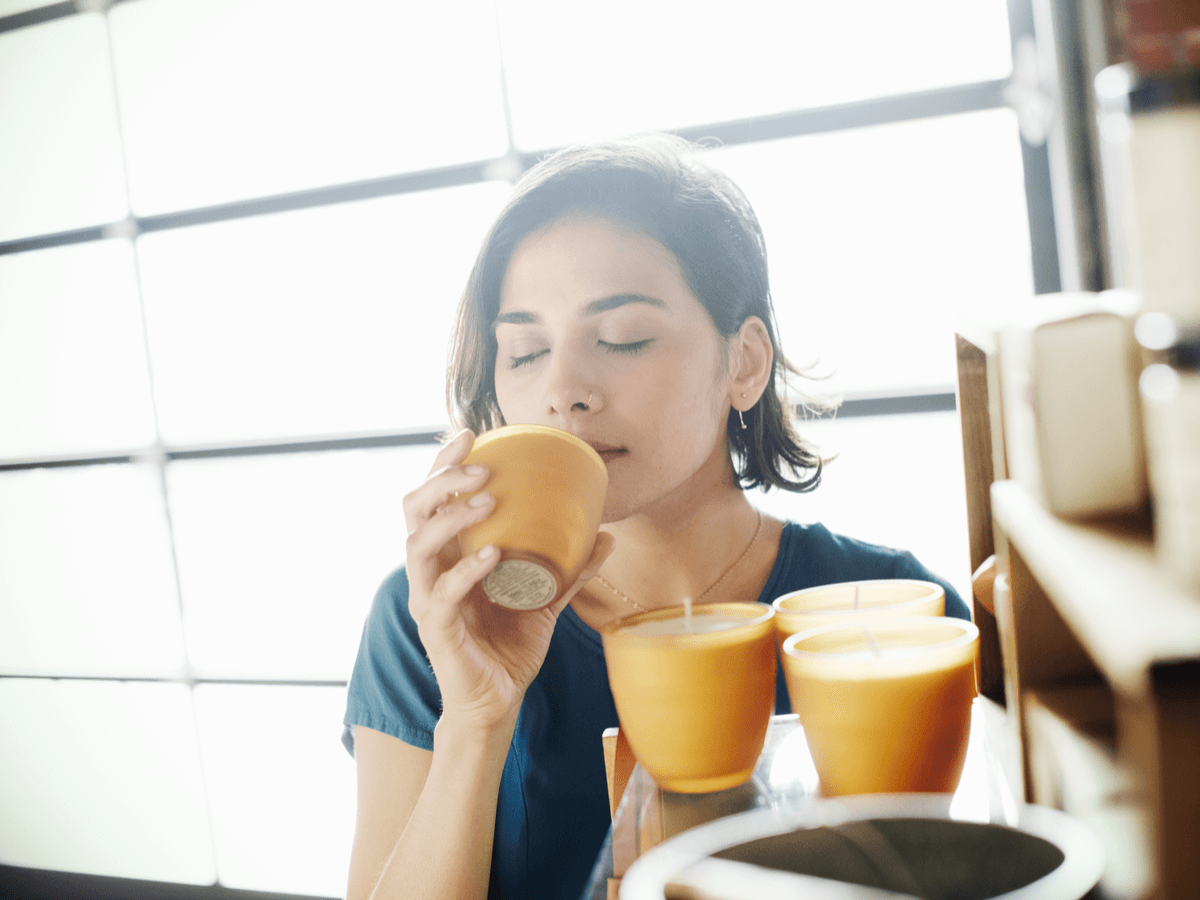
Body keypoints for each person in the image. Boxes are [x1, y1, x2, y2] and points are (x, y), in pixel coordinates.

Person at [341, 133, 971, 900]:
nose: (563, 389)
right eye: (525, 351)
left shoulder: (892, 608)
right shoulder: (432, 622)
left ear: (743, 364)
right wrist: (476, 719)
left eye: (622, 338)